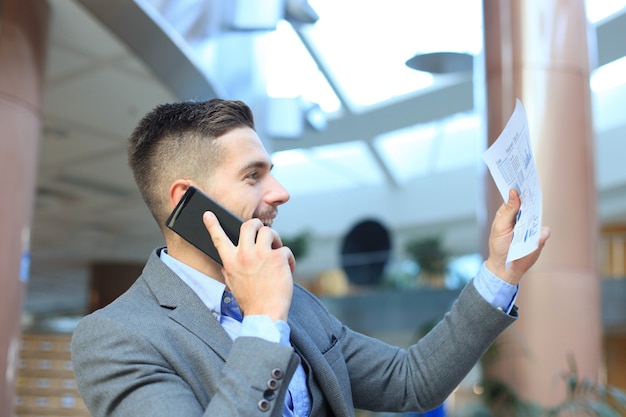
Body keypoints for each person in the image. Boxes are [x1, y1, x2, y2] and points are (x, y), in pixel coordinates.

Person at [71, 98, 550, 417]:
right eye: (253, 175)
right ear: (187, 201)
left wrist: (500, 271)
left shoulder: (293, 301)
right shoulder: (117, 338)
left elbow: (410, 382)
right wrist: (263, 319)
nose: (280, 193)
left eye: (271, 172)